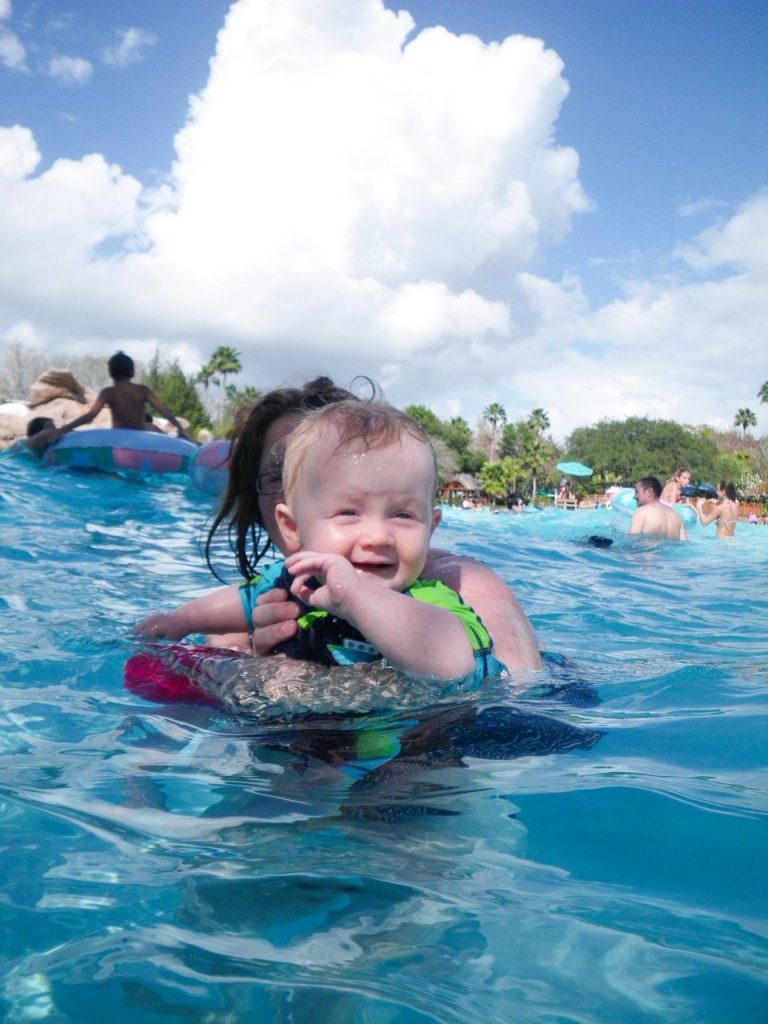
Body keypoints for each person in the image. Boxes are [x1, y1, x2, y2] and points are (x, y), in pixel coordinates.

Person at [137, 376, 541, 671]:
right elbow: (240, 601)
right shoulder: (288, 581)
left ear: (431, 525)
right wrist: (182, 621)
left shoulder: (431, 598)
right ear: (289, 523)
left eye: (402, 514)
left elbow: (456, 659)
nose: (378, 535)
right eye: (348, 511)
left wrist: (355, 598)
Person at [50, 351, 193, 441]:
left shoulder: (108, 392)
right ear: (132, 372)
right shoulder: (142, 390)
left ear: (111, 372)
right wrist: (179, 427)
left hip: (118, 439)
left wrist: (62, 430)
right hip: (139, 438)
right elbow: (164, 411)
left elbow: (90, 416)